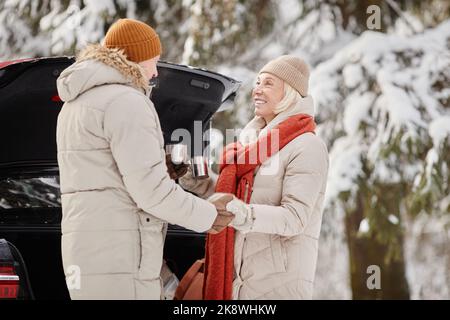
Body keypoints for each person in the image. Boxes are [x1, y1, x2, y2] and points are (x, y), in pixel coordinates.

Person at [56, 18, 233, 300]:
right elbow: (151, 193)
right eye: (153, 60)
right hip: (121, 257)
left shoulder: (75, 104)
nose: (154, 71)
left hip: (87, 252)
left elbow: (104, 172)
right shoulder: (126, 101)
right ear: (135, 57)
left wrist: (160, 165)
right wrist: (208, 215)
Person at [179, 55, 329, 299]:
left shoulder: (307, 146)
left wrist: (244, 214)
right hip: (240, 280)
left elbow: (295, 218)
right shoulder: (253, 143)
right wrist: (203, 184)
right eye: (257, 83)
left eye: (268, 83)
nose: (257, 90)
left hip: (277, 284)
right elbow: (241, 196)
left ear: (289, 92)